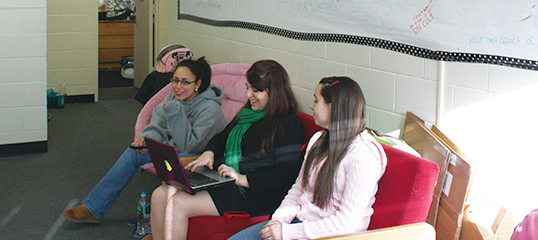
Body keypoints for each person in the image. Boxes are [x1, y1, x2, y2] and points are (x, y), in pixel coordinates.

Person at [150, 60, 305, 240]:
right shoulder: (248, 114)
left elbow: (286, 174)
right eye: (247, 88)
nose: (249, 95)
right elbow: (221, 137)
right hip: (228, 180)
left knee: (177, 203)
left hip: (255, 193)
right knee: (160, 195)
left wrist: (243, 179)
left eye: (256, 90)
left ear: (275, 91)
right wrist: (209, 153)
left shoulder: (288, 124)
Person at [63, 57, 226, 224]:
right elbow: (157, 124)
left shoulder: (209, 109)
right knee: (133, 152)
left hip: (195, 157)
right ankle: (92, 209)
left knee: (164, 156)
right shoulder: (173, 97)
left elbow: (190, 146)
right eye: (175, 80)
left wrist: (175, 113)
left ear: (197, 84)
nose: (178, 87)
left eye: (185, 82)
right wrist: (148, 140)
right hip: (171, 149)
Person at [228, 76, 387, 240]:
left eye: (316, 101)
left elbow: (346, 223)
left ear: (335, 107)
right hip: (297, 225)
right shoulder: (319, 139)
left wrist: (286, 232)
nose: (311, 106)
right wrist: (278, 221)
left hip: (330, 235)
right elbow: (298, 188)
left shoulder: (363, 154)